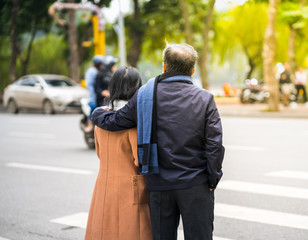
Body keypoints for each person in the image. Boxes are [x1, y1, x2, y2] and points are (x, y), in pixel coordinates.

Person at [91, 43, 225, 240]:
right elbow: (214, 146)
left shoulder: (145, 95)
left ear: (164, 67)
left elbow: (115, 121)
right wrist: (212, 179)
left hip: (159, 186)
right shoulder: (205, 99)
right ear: (193, 70)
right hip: (195, 185)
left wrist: (96, 113)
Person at [85, 67, 152, 240]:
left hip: (104, 183)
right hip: (132, 185)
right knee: (132, 231)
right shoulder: (135, 121)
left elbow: (100, 152)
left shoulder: (101, 117)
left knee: (104, 229)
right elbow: (140, 160)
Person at [84, 55, 104, 132]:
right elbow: (89, 85)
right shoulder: (92, 71)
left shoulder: (100, 71)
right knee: (93, 107)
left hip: (98, 95)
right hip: (93, 96)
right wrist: (94, 96)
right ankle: (89, 124)